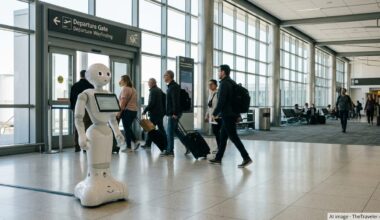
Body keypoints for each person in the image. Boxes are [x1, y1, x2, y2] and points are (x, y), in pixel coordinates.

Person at [209, 64, 252, 168]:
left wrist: (214, 114)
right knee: (223, 137)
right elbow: (233, 101)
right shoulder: (232, 83)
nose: (218, 73)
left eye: (219, 71)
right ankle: (218, 158)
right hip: (230, 114)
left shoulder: (224, 84)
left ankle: (246, 157)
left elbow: (222, 101)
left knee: (233, 137)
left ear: (223, 72)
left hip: (228, 115)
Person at [161, 70, 186, 157]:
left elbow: (175, 101)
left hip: (174, 113)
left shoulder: (173, 87)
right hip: (172, 113)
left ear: (170, 76)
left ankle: (170, 150)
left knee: (169, 132)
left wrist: (175, 113)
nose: (164, 77)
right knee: (175, 131)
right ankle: (188, 145)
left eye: (166, 75)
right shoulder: (171, 86)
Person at [70, 70, 94, 152]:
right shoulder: (91, 86)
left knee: (78, 127)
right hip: (87, 109)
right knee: (87, 126)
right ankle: (85, 147)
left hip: (77, 108)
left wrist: (73, 108)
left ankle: (77, 146)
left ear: (80, 75)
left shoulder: (75, 85)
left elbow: (72, 99)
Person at [117, 75, 140, 151]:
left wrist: (119, 113)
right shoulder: (133, 89)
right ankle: (135, 141)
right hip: (133, 111)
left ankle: (128, 147)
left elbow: (123, 103)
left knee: (126, 129)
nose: (120, 81)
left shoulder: (125, 89)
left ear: (125, 81)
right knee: (128, 128)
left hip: (127, 111)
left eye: (121, 80)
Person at [141, 78, 166, 149]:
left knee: (150, 129)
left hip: (155, 113)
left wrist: (145, 110)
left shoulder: (153, 91)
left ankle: (148, 144)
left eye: (149, 83)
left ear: (153, 83)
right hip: (160, 113)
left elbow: (152, 103)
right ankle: (166, 142)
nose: (148, 84)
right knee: (160, 128)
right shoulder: (159, 90)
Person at [205, 79, 221, 154]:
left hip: (218, 117)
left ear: (215, 85)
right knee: (216, 132)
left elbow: (219, 106)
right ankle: (219, 147)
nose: (209, 86)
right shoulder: (210, 94)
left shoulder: (218, 93)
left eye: (211, 84)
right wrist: (206, 115)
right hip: (212, 117)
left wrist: (216, 114)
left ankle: (220, 147)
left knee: (218, 132)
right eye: (209, 84)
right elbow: (209, 106)